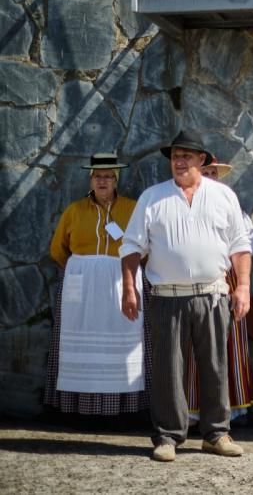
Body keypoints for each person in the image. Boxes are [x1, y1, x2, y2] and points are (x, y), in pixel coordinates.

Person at [120, 132, 252, 463]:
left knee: (215, 365)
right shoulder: (153, 197)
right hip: (167, 296)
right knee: (168, 368)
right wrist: (128, 287)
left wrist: (244, 286)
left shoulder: (223, 196)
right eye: (175, 156)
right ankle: (168, 436)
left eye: (187, 156)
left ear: (202, 160)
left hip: (212, 294)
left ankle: (216, 434)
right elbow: (132, 246)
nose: (179, 161)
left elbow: (239, 245)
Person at [44, 153, 149, 418]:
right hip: (82, 283)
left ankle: (125, 410)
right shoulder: (75, 210)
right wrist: (83, 269)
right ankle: (78, 408)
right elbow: (58, 249)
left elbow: (146, 245)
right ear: (90, 180)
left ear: (116, 181)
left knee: (124, 343)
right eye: (97, 176)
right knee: (77, 342)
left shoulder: (132, 208)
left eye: (108, 177)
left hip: (120, 281)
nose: (102, 181)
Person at [185, 160, 253, 423]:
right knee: (194, 343)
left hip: (228, 277)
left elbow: (249, 243)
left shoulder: (231, 206)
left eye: (214, 173)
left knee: (231, 341)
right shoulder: (186, 205)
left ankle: (232, 410)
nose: (211, 177)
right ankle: (193, 412)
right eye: (206, 173)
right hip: (195, 278)